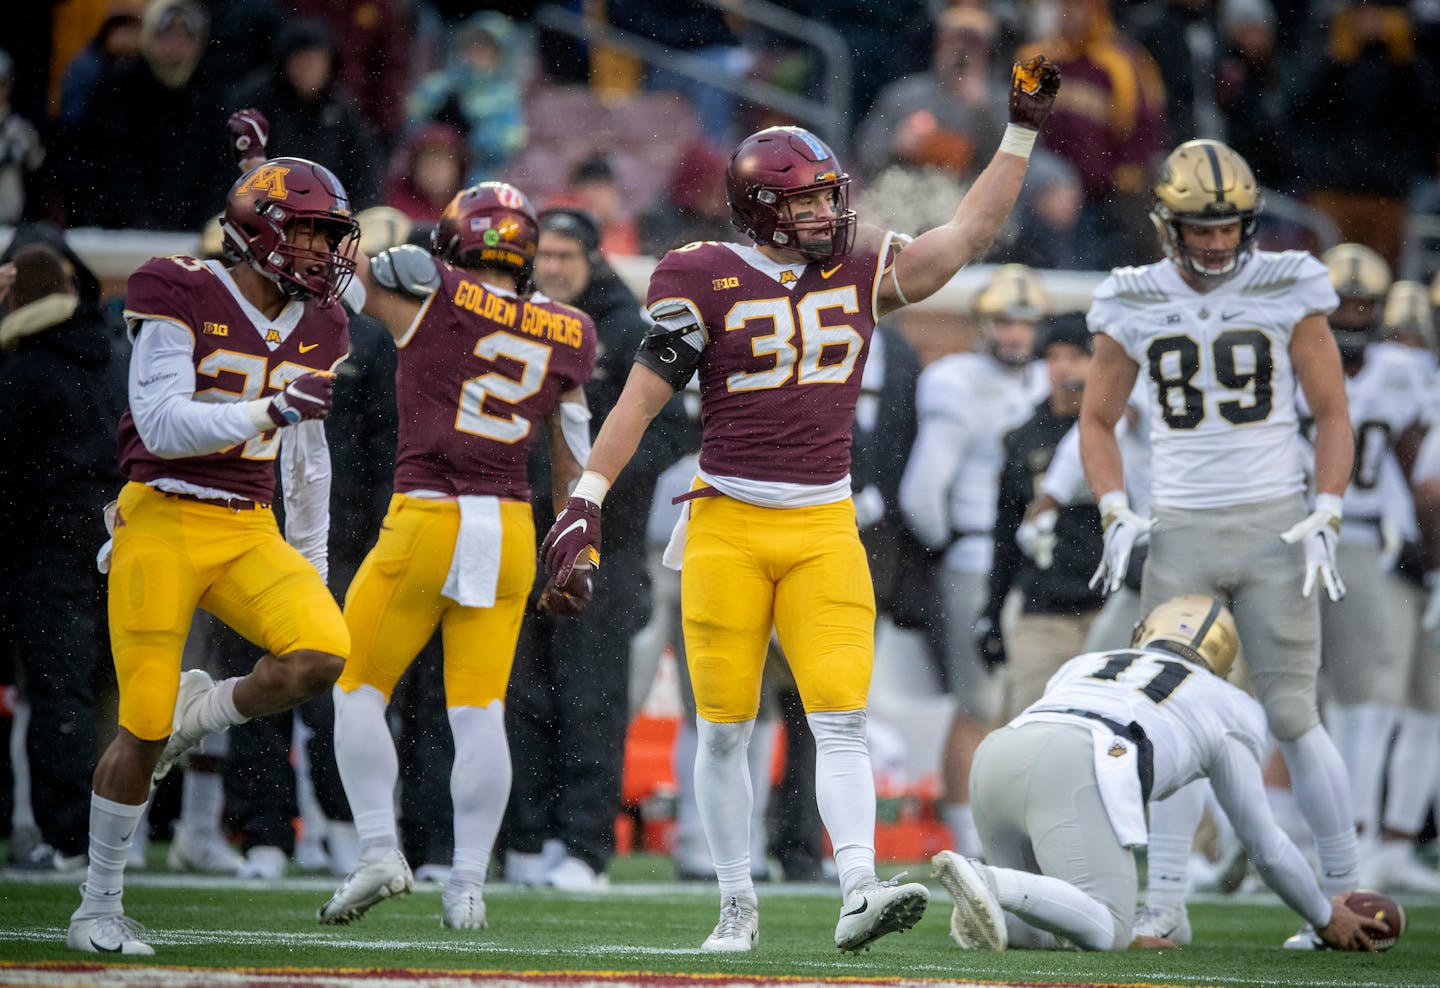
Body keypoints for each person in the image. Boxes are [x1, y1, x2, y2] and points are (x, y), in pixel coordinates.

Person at [539, 55, 1063, 952]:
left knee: (838, 715)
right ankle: (736, 902)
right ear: (762, 208)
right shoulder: (697, 275)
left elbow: (968, 235)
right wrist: (584, 496)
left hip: (825, 524)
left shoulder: (858, 271)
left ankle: (858, 884)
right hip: (728, 524)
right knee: (725, 729)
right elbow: (637, 400)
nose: (831, 212)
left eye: (832, 196)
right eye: (813, 200)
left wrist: (1019, 131)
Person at [65, 156, 362, 955]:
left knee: (322, 652)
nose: (321, 253)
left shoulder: (326, 322)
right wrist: (269, 405)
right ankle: (97, 904)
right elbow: (159, 424)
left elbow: (307, 460)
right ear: (261, 227)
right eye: (308, 232)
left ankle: (210, 711)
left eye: (330, 237)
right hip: (160, 515)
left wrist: (312, 566)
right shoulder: (179, 285)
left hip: (248, 526)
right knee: (143, 725)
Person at [1078, 138, 1360, 949]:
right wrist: (1113, 507)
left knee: (1293, 714)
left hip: (1277, 524)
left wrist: (1329, 505)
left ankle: (1343, 891)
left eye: (1228, 226)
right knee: (1172, 717)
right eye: (1200, 228)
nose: (1215, 242)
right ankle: (1166, 901)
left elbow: (1331, 411)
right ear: (1168, 226)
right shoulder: (1130, 298)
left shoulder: (1287, 281)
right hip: (1183, 528)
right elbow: (1096, 420)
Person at [319, 182, 597, 931]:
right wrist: (579, 541)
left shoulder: (431, 291)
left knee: (357, 690)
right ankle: (467, 886)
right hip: (509, 527)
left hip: (428, 515)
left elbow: (336, 274)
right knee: (480, 713)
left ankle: (380, 847)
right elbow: (576, 451)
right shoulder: (569, 328)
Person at [931, 596, 1384, 954]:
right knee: (1108, 925)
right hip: (1074, 763)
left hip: (998, 755)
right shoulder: (1229, 704)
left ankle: (996, 898)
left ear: (1143, 634)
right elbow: (1262, 843)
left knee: (1036, 929)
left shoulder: (1089, 662)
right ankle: (987, 878)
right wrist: (1323, 914)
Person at [503, 207, 686, 889]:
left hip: (604, 545)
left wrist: (590, 481)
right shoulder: (512, 318)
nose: (550, 268)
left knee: (590, 697)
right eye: (541, 256)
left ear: (591, 259)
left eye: (562, 256)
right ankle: (522, 840)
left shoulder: (632, 332)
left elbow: (671, 433)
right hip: (522, 534)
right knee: (520, 691)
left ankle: (583, 849)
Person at [899, 263, 1049, 860]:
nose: (1014, 335)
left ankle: (1015, 837)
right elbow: (921, 494)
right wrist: (951, 544)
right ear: (983, 326)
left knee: (1030, 705)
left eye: (1024, 323)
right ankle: (965, 842)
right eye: (1003, 322)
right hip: (979, 556)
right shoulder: (957, 380)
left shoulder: (1050, 378)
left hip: (1042, 564)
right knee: (978, 703)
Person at [0, 237, 126, 872]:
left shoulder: (25, 372)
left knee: (57, 697)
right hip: (119, 543)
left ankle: (68, 838)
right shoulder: (115, 358)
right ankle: (113, 838)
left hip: (50, 554)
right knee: (109, 699)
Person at [983, 315, 1105, 721]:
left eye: (1076, 356)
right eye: (1053, 357)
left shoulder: (1124, 429)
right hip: (1045, 609)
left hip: (1111, 605)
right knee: (1028, 726)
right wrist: (992, 611)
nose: (1064, 368)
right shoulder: (1026, 436)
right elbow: (1005, 531)